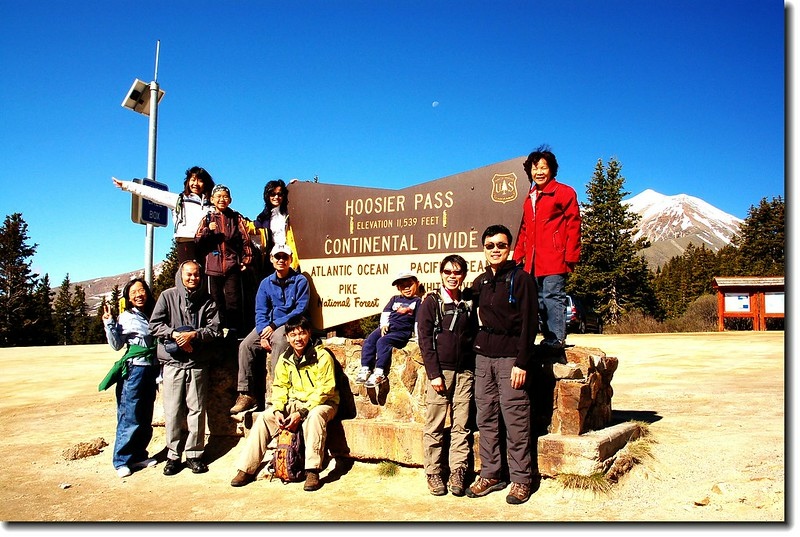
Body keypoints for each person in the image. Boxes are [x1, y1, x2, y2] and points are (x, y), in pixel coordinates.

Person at [467, 224, 538, 505]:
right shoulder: (481, 282)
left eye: (500, 245)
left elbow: (530, 323)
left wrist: (522, 362)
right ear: (483, 249)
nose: (495, 250)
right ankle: (491, 473)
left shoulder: (521, 279)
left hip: (511, 358)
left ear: (509, 247)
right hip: (483, 357)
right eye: (490, 246)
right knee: (485, 418)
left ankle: (522, 479)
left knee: (515, 418)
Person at [229, 315, 339, 492]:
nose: (298, 338)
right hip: (294, 402)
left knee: (314, 417)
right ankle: (246, 468)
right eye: (293, 335)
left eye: (302, 333)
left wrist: (302, 412)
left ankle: (312, 470)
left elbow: (325, 390)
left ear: (309, 334)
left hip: (322, 403)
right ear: (287, 337)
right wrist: (279, 408)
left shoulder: (322, 356)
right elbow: (279, 386)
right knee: (266, 417)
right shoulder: (285, 358)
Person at [148, 260, 223, 476]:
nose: (193, 278)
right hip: (173, 363)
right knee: (172, 411)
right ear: (181, 275)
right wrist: (175, 335)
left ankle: (194, 454)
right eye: (189, 274)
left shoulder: (208, 300)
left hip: (198, 363)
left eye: (197, 275)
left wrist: (194, 335)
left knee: (197, 410)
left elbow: (215, 330)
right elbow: (155, 325)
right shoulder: (167, 296)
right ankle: (173, 455)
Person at [417, 255, 477, 497]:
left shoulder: (468, 301)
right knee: (435, 424)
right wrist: (434, 373)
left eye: (458, 272)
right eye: (448, 272)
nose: (453, 276)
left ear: (463, 275)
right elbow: (425, 340)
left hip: (465, 372)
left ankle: (458, 471)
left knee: (462, 426)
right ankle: (433, 472)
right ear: (441, 273)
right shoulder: (431, 302)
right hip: (441, 372)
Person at [513, 145, 581, 350]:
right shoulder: (529, 197)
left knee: (553, 296)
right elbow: (524, 228)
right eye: (535, 168)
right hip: (532, 261)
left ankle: (556, 338)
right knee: (536, 300)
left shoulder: (564, 192)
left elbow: (574, 224)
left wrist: (571, 255)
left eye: (543, 167)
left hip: (554, 257)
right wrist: (518, 255)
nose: (539, 172)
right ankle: (542, 337)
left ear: (552, 169)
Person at [230, 244, 310, 414]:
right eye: (277, 257)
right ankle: (246, 394)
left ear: (290, 260)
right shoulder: (265, 283)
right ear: (272, 259)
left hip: (289, 324)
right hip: (267, 325)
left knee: (280, 342)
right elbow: (260, 310)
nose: (281, 260)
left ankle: (277, 394)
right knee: (246, 345)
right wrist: (262, 332)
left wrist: (274, 326)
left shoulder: (300, 281)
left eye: (285, 257)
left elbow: (300, 309)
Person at [102, 278, 160, 478]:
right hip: (134, 370)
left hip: (151, 369)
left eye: (142, 290)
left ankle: (138, 455)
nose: (138, 295)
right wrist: (109, 322)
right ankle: (121, 460)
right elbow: (116, 345)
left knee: (145, 414)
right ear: (128, 297)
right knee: (130, 415)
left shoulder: (152, 314)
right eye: (133, 292)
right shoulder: (126, 317)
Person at [112, 166, 215, 263]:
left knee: (206, 278)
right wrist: (126, 185)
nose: (196, 184)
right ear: (187, 182)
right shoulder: (179, 199)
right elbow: (153, 193)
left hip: (206, 243)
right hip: (186, 241)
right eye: (193, 180)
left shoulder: (211, 205)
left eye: (200, 180)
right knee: (189, 276)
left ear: (206, 183)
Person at [194, 184, 253, 334]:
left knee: (233, 299)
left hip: (232, 265)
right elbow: (198, 239)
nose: (222, 199)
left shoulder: (235, 217)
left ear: (230, 200)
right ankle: (217, 329)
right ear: (212, 199)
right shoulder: (208, 218)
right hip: (213, 267)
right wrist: (209, 230)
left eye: (225, 196)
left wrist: (246, 259)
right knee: (215, 300)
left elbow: (245, 239)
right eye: (218, 196)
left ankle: (234, 329)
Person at [355, 271, 422, 388]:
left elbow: (418, 320)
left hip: (402, 332)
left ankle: (379, 372)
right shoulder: (394, 299)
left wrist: (418, 337)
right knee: (370, 340)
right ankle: (366, 367)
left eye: (409, 284)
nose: (406, 288)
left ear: (417, 283)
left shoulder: (418, 302)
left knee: (383, 342)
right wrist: (384, 324)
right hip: (387, 327)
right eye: (402, 286)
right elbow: (386, 312)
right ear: (398, 288)